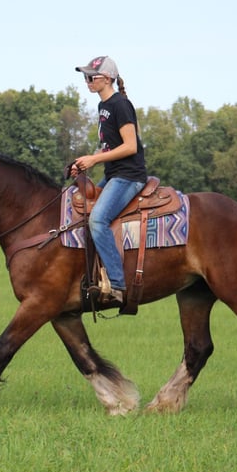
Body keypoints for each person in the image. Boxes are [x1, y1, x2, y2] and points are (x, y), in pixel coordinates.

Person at [71, 56, 147, 306]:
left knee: (98, 219)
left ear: (106, 78)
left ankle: (117, 284)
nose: (87, 81)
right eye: (85, 77)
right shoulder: (103, 106)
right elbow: (110, 147)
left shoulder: (120, 105)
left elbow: (130, 146)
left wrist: (93, 160)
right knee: (80, 206)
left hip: (128, 176)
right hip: (114, 174)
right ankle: (91, 275)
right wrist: (84, 162)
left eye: (90, 77)